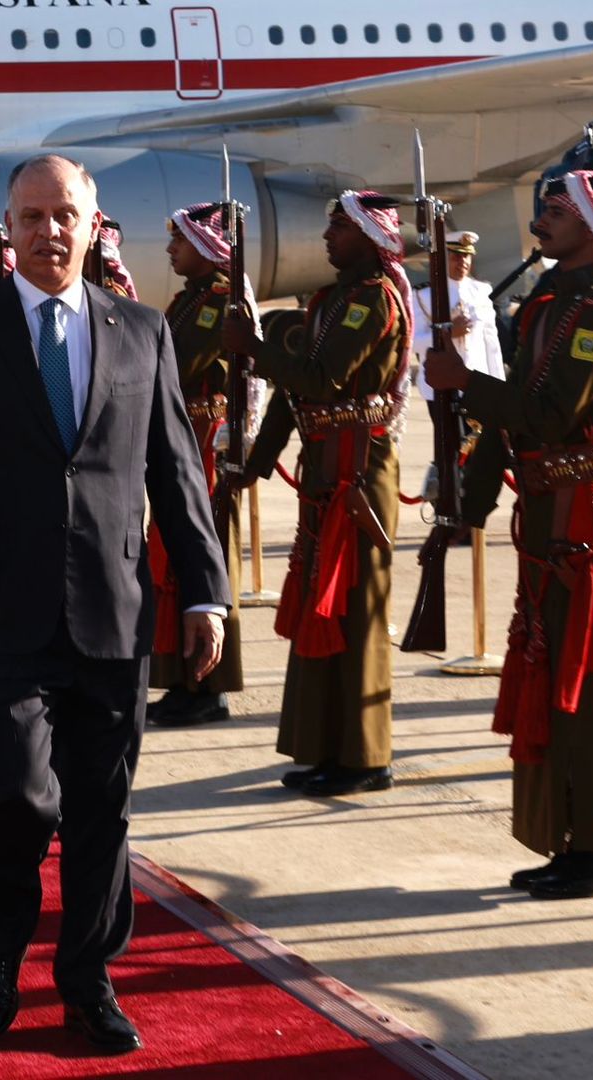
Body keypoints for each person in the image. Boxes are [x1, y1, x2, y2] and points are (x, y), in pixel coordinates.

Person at [0, 154, 227, 1055]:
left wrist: (207, 592)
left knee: (102, 810)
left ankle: (88, 980)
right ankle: (0, 949)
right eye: (31, 217)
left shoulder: (142, 331)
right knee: (22, 794)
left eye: (63, 215)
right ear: (8, 228)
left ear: (93, 221)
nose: (48, 232)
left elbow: (177, 472)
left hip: (114, 610)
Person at [429, 170, 593, 899]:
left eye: (557, 212)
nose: (541, 221)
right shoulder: (547, 308)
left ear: (592, 226)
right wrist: (473, 503)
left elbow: (550, 413)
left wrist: (464, 382)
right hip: (547, 514)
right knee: (551, 675)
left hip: (585, 514)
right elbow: (511, 417)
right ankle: (569, 838)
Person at [223, 191, 410, 798]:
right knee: (318, 606)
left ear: (368, 235)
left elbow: (320, 378)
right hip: (326, 467)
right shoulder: (333, 301)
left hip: (359, 469)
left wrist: (254, 349)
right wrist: (255, 463)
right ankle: (328, 747)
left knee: (355, 612)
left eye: (339, 228)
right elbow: (294, 396)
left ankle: (365, 756)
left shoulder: (374, 300)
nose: (327, 238)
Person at [147, 202, 254, 727]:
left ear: (207, 248)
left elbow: (183, 360)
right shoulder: (189, 299)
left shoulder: (217, 301)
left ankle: (208, 688)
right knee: (172, 558)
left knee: (200, 558)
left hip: (205, 442)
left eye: (180, 242)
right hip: (184, 436)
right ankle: (183, 681)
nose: (171, 250)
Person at [410, 229, 504, 499]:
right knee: (449, 450)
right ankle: (448, 508)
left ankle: (469, 514)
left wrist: (498, 386)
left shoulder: (480, 292)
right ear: (441, 260)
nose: (461, 262)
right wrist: (448, 333)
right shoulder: (424, 297)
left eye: (466, 257)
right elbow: (413, 343)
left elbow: (491, 345)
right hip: (438, 387)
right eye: (454, 256)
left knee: (477, 451)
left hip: (476, 384)